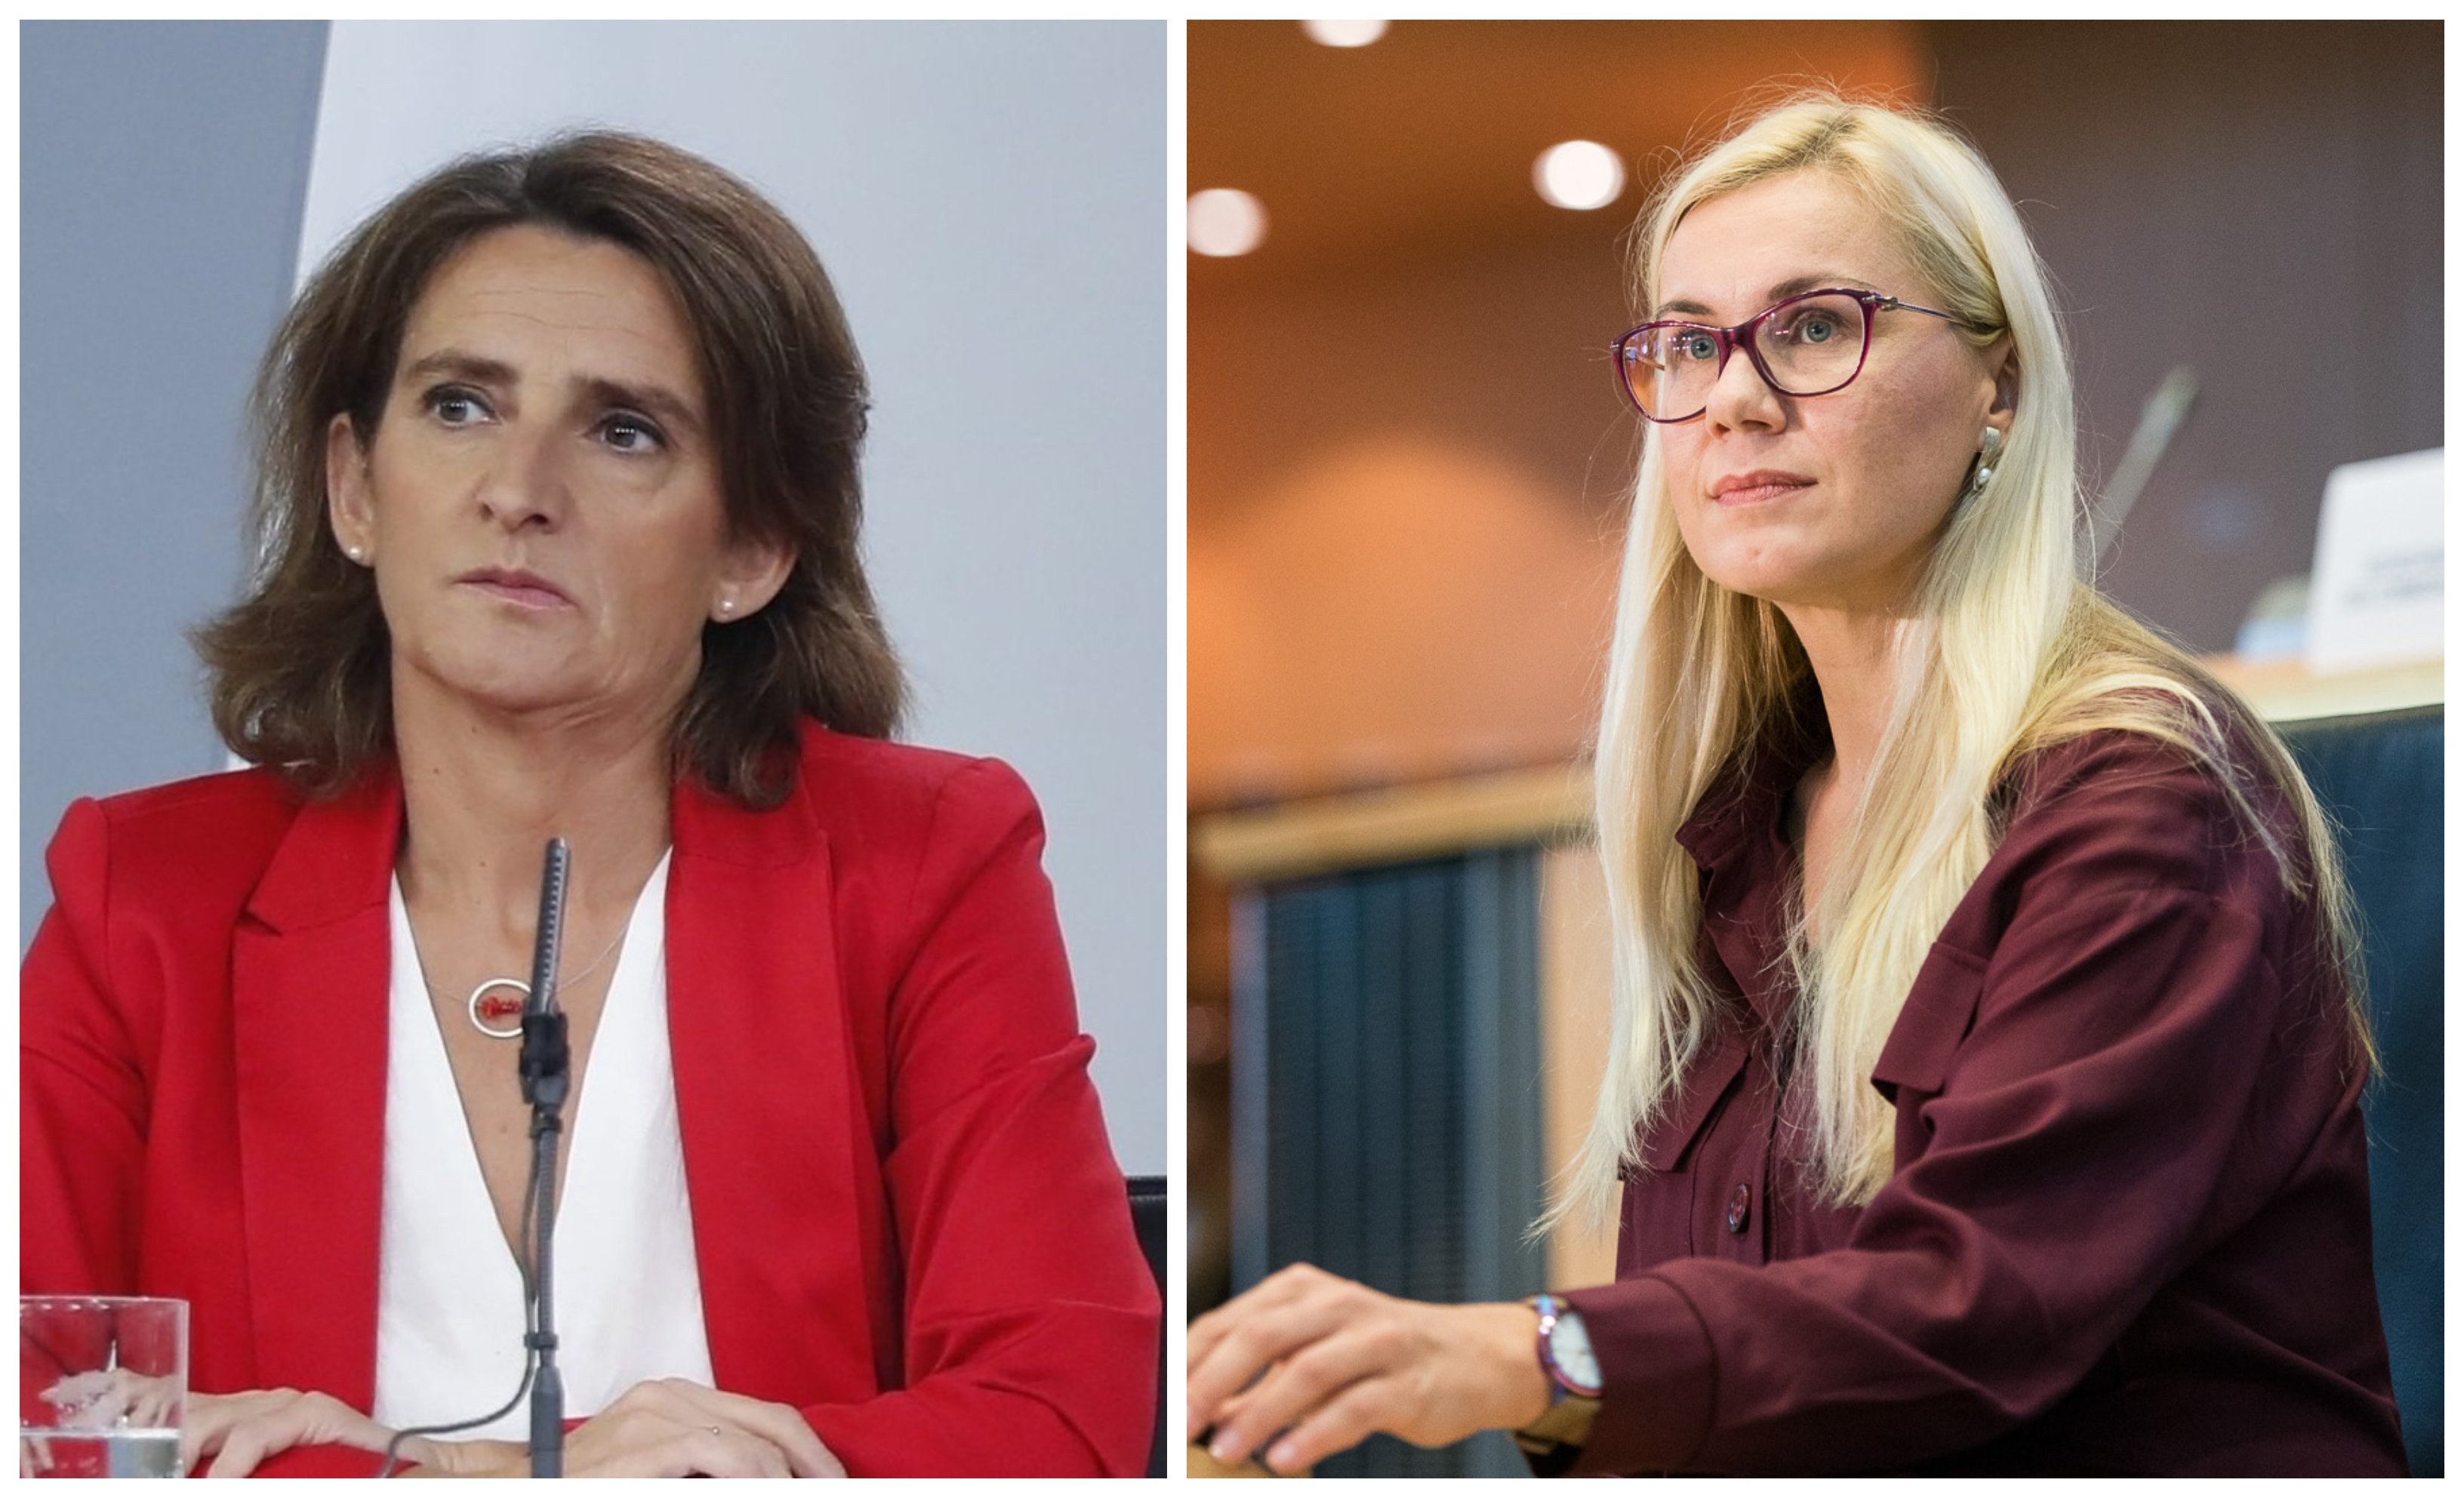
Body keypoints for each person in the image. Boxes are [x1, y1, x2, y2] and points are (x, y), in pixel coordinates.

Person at [1185, 94, 2404, 1476]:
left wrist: (1530, 1356)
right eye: (1692, 343)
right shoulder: (1739, 829)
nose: (1735, 398)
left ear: (1999, 384)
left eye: (1816, 326)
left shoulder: (2147, 806)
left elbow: (1974, 1313)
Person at [21, 131, 1158, 1478]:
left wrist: (461, 1471)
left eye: (624, 431)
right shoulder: (147, 901)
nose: (517, 492)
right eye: (460, 406)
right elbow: (37, 1420)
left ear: (752, 548)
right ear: (354, 488)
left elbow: (1058, 1416)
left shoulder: (921, 864)